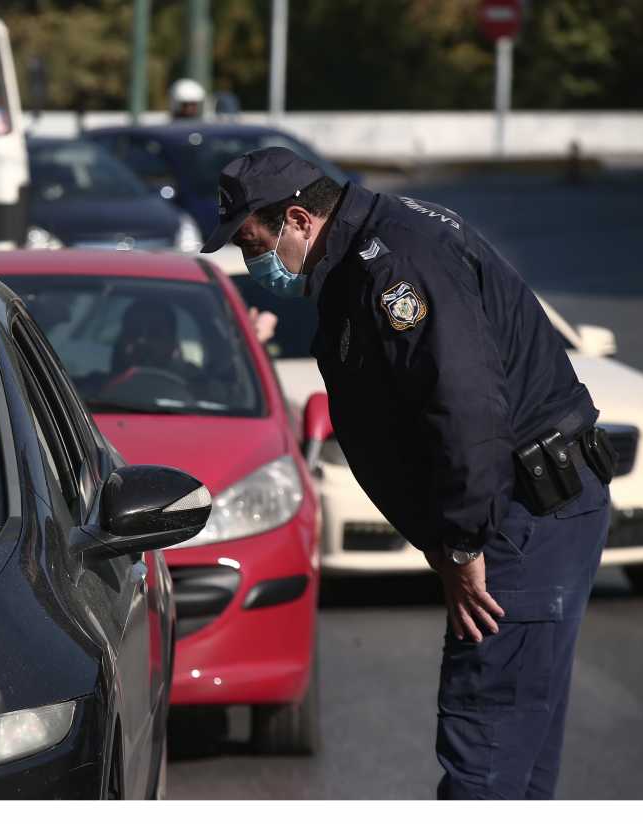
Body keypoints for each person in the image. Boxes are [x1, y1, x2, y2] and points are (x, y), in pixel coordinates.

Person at [200, 147, 614, 800]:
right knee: (516, 745)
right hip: (525, 508)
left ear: (300, 218)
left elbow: (465, 406)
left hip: (520, 514)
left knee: (487, 744)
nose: (254, 264)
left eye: (255, 243)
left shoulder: (397, 263)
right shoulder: (366, 248)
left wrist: (463, 541)